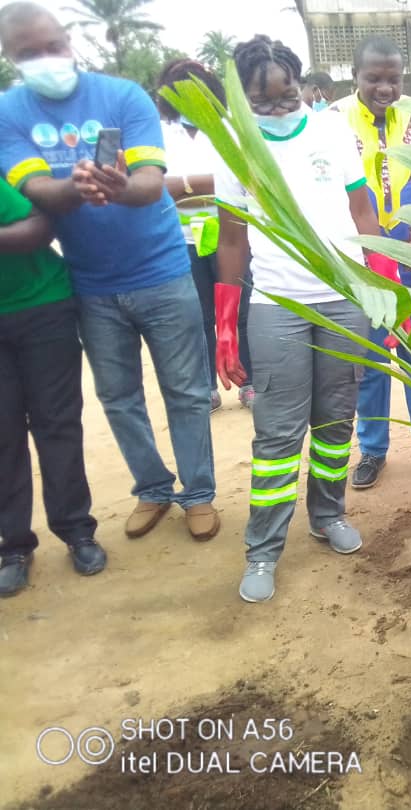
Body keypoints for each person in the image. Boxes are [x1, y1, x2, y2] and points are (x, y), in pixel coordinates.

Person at [0, 2, 219, 542]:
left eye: (51, 47)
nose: (44, 60)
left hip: (163, 270)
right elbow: (34, 191)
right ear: (10, 58)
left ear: (68, 42)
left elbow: (148, 181)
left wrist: (118, 186)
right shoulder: (10, 112)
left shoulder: (122, 96)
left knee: (187, 392)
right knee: (118, 397)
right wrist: (80, 187)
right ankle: (153, 488)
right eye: (28, 54)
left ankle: (198, 494)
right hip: (91, 283)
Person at [215, 35, 381, 603]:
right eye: (264, 104)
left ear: (300, 84)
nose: (279, 111)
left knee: (336, 422)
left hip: (343, 299)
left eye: (287, 98)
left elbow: (362, 208)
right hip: (277, 304)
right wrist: (225, 323)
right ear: (245, 100)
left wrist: (384, 288)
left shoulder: (333, 130)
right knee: (278, 434)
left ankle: (327, 514)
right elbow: (232, 238)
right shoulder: (235, 143)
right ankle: (263, 549)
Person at [330, 36, 411, 490]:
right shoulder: (332, 123)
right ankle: (372, 450)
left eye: (393, 79)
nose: (384, 88)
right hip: (361, 263)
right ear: (355, 78)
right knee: (368, 363)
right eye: (374, 79)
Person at [0, 177, 105, 596]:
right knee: (3, 434)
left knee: (56, 424)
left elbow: (40, 228)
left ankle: (77, 530)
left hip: (40, 306)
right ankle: (14, 546)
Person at [156, 59, 228, 412]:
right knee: (197, 314)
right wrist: (204, 184)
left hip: (230, 232)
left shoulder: (225, 127)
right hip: (182, 236)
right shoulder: (159, 132)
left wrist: (182, 185)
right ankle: (206, 387)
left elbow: (240, 181)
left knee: (238, 307)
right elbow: (155, 185)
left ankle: (249, 382)